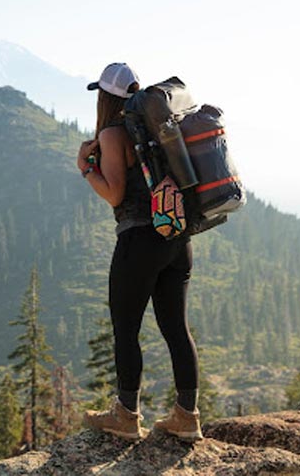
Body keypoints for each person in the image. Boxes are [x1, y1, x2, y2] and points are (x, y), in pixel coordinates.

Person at [78, 63, 203, 441]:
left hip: (139, 241)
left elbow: (115, 194)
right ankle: (187, 416)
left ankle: (127, 416)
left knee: (126, 329)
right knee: (176, 329)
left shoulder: (114, 134)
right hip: (177, 237)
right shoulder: (157, 128)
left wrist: (85, 168)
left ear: (105, 96)